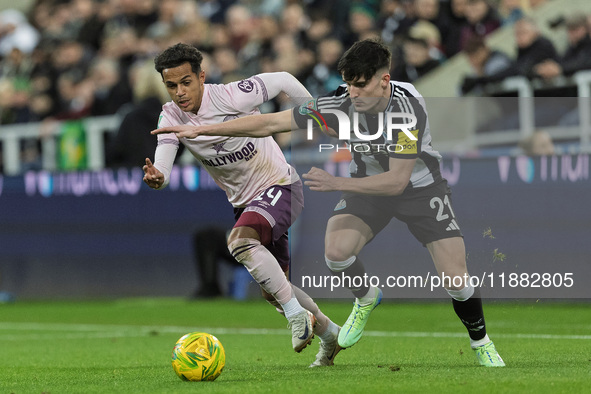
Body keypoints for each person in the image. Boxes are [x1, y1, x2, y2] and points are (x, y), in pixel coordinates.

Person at [153, 38, 505, 367]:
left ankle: (481, 342)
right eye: (348, 83)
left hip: (419, 189)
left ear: (385, 80)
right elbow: (270, 121)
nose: (353, 93)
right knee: (336, 253)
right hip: (365, 186)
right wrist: (202, 130)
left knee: (456, 280)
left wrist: (337, 182)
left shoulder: (407, 108)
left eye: (361, 85)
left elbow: (397, 180)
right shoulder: (341, 100)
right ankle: (365, 297)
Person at [142, 43, 341, 367]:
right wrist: (157, 177)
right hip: (247, 204)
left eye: (186, 82)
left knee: (239, 241)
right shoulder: (171, 115)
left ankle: (296, 317)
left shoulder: (232, 96)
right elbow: (164, 164)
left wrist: (317, 114)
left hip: (280, 186)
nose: (180, 92)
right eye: (171, 85)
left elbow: (284, 80)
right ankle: (331, 336)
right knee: (273, 290)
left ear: (201, 77)